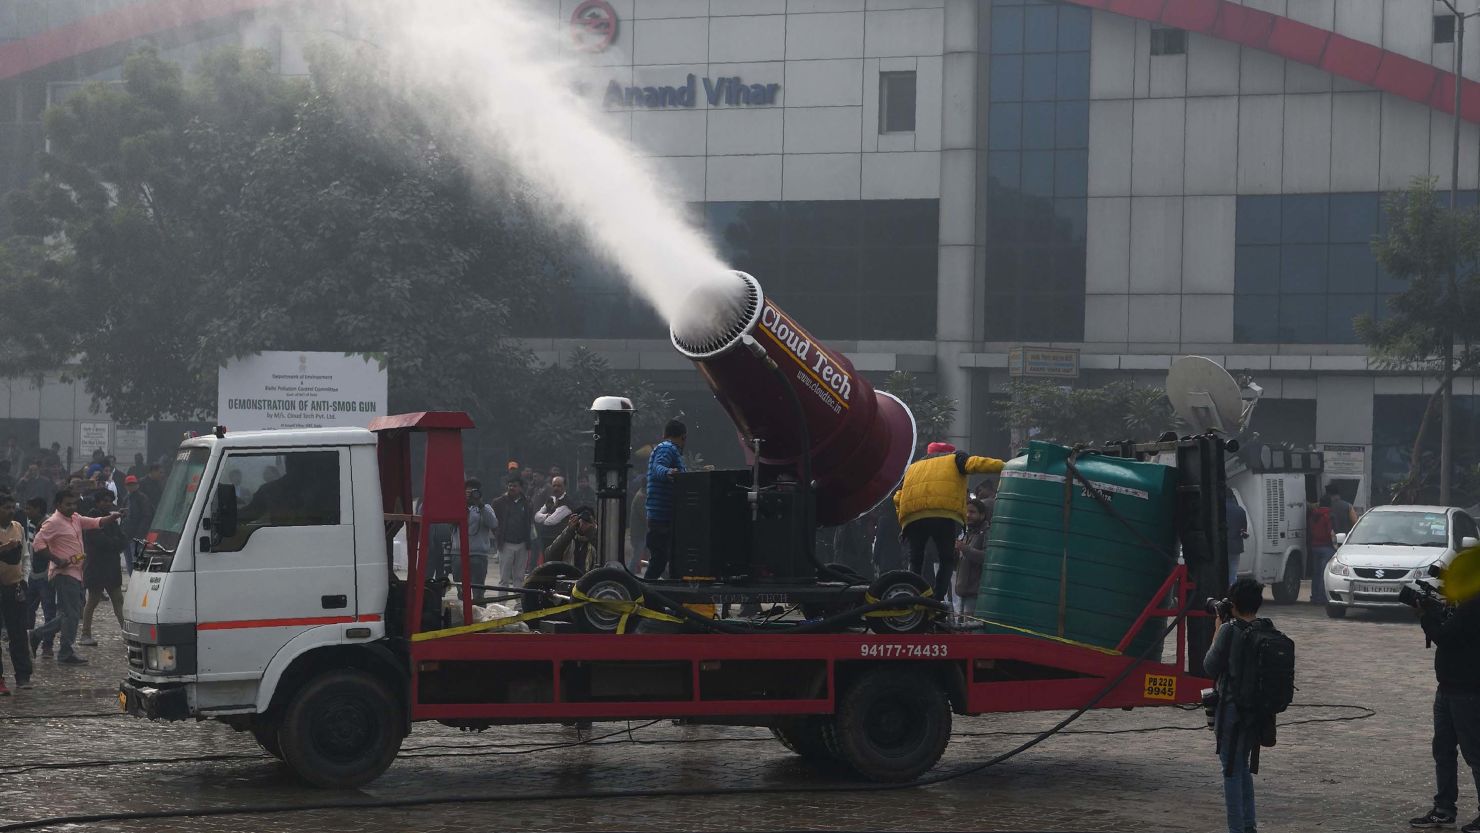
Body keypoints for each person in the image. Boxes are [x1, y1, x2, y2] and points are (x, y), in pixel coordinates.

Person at [1408, 583, 1480, 832]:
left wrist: (1426, 616)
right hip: (1448, 687)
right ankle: (1443, 808)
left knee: (1475, 754)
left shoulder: (1473, 604)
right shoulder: (1462, 602)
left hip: (1468, 690)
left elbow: (1445, 636)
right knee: (1443, 751)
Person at [893, 441, 1005, 600]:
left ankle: (912, 595)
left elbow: (898, 497)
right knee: (946, 559)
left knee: (916, 559)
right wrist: (1004, 465)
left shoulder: (913, 467)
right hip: (943, 515)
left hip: (914, 516)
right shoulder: (955, 459)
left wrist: (903, 523)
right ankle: (938, 598)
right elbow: (976, 463)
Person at [1204, 578, 1272, 833]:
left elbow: (1209, 666)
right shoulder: (1264, 628)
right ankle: (1248, 825)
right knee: (1242, 767)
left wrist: (1217, 628)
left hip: (1232, 710)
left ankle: (1237, 828)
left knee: (1231, 770)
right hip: (1256, 711)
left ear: (1232, 604)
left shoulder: (1229, 631)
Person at [28, 489, 122, 665]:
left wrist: (113, 517)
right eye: (68, 504)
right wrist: (57, 559)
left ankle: (38, 635)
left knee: (70, 614)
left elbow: (95, 522)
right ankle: (64, 651)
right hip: (64, 574)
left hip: (77, 572)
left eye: (73, 503)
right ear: (58, 505)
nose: (72, 507)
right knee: (70, 614)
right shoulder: (53, 522)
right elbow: (38, 543)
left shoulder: (76, 518)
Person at [79, 489, 127, 646]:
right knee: (92, 600)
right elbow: (100, 541)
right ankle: (85, 634)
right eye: (105, 500)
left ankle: (127, 633)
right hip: (96, 565)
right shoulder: (93, 518)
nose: (107, 503)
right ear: (98, 502)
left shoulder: (112, 519)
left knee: (118, 600)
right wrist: (114, 543)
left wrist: (114, 543)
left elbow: (122, 540)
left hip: (111, 566)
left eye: (109, 501)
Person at [643, 420, 687, 580]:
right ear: (683, 437)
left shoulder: (667, 449)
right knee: (659, 559)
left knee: (664, 559)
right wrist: (669, 472)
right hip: (661, 516)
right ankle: (646, 593)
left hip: (662, 516)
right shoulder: (667, 448)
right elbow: (658, 467)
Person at [0, 493, 31, 693]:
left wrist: (25, 579)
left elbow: (25, 556)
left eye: (12, 507)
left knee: (18, 633)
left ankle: (23, 676)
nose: (10, 511)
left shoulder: (18, 527)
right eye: (6, 507)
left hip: (15, 586)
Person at [21, 497, 55, 658]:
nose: (26, 512)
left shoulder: (48, 525)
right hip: (33, 573)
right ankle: (25, 640)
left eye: (30, 508)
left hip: (46, 574)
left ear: (39, 510)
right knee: (28, 608)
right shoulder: (30, 524)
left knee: (49, 611)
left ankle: (47, 645)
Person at [451, 478, 497, 588]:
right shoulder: (457, 506)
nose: (470, 495)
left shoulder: (486, 508)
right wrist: (462, 505)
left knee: (478, 590)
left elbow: (494, 524)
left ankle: (478, 605)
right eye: (468, 492)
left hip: (478, 554)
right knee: (461, 591)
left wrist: (480, 506)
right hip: (459, 553)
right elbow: (450, 522)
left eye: (473, 492)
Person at [491, 476, 533, 586]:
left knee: (519, 577)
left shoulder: (526, 502)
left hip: (522, 544)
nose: (511, 488)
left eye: (515, 486)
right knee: (504, 578)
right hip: (506, 543)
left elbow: (529, 521)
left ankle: (519, 602)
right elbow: (492, 521)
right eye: (510, 485)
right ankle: (502, 603)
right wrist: (497, 533)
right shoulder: (498, 502)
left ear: (520, 488)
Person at [953, 498, 990, 618]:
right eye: (967, 511)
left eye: (973, 512)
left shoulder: (986, 533)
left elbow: (987, 558)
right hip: (961, 594)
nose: (968, 515)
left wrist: (964, 548)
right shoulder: (967, 533)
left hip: (975, 595)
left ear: (982, 515)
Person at [546, 507, 599, 572]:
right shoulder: (568, 539)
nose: (583, 524)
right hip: (568, 578)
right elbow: (550, 556)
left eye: (587, 521)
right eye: (581, 520)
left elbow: (604, 557)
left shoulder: (597, 540)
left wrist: (592, 532)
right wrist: (569, 531)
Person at [120, 475, 154, 575]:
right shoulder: (126, 498)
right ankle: (132, 583)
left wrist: (140, 533)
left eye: (133, 484)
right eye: (129, 484)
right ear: (125, 486)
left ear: (137, 485)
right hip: (127, 536)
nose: (131, 486)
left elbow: (147, 516)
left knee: (137, 563)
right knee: (130, 563)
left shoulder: (142, 498)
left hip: (137, 536)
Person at [535, 476, 573, 554]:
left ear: (565, 487)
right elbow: (536, 517)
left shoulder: (567, 502)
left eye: (559, 486)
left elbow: (551, 521)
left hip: (560, 540)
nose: (556, 488)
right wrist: (546, 516)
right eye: (554, 486)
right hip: (546, 539)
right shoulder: (550, 499)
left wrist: (544, 517)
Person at [1308, 499, 1334, 605]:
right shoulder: (1328, 515)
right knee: (1324, 573)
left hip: (1314, 547)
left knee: (1316, 573)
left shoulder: (1313, 515)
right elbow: (1330, 532)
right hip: (1326, 547)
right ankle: (1322, 597)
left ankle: (1315, 596)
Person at [1226, 494, 1249, 587]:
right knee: (1233, 573)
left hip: (1222, 546)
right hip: (1235, 546)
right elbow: (1244, 530)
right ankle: (1231, 593)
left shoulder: (1218, 509)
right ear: (1233, 498)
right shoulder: (1240, 510)